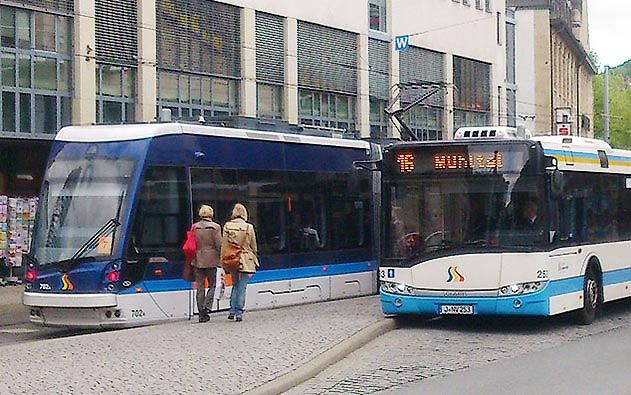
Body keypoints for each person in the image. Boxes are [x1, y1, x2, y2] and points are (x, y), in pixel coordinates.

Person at [221, 203, 259, 322]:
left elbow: (224, 245)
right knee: (242, 286)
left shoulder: (227, 226)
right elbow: (254, 246)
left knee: (235, 284)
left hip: (232, 259)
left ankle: (232, 310)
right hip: (246, 259)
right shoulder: (249, 227)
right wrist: (254, 257)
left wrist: (223, 260)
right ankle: (239, 312)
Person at [192, 205, 222, 323]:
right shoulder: (215, 227)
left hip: (197, 259)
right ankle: (206, 307)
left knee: (200, 286)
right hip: (211, 259)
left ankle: (200, 312)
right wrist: (221, 257)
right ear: (211, 214)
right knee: (213, 285)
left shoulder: (194, 227)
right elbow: (219, 244)